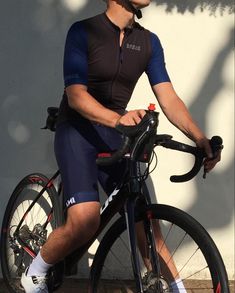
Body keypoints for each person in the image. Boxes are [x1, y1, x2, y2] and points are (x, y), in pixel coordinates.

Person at [21, 0, 221, 292]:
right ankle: (35, 271)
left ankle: (177, 288)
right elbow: (76, 95)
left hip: (115, 132)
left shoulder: (148, 42)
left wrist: (200, 139)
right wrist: (118, 119)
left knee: (146, 223)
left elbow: (169, 99)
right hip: (77, 130)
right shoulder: (83, 31)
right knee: (86, 220)